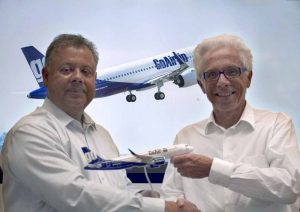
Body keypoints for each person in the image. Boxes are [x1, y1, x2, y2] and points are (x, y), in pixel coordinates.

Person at [1, 34, 199, 212]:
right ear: (45, 77)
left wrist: (139, 196)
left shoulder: (101, 136)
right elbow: (76, 196)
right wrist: (160, 208)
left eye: (86, 71)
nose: (77, 78)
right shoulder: (29, 133)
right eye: (66, 70)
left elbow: (116, 187)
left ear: (94, 79)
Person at [161, 34, 300, 212]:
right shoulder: (185, 136)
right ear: (201, 85)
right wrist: (177, 204)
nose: (222, 82)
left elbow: (289, 187)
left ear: (248, 78)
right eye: (212, 74)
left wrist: (213, 169)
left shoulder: (276, 125)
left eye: (232, 71)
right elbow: (170, 193)